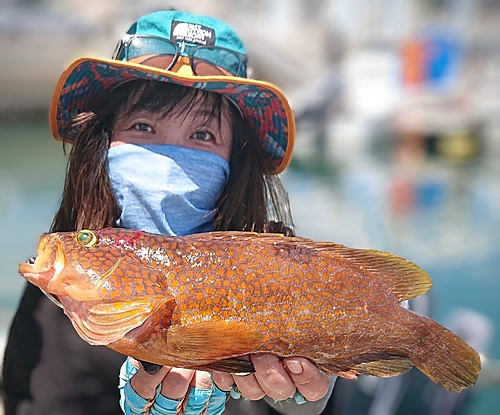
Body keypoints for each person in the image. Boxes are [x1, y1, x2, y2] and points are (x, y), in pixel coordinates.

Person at [1, 10, 335, 415]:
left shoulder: (281, 268)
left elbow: (302, 398)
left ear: (237, 161)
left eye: (202, 134)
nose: (171, 160)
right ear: (101, 145)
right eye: (142, 126)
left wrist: (305, 396)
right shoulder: (60, 288)